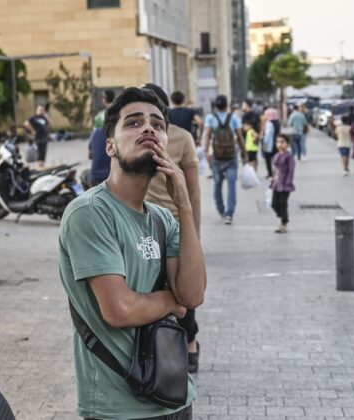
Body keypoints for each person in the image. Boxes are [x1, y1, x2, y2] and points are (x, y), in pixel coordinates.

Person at [59, 87, 206, 419]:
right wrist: (172, 301)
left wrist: (183, 203)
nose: (149, 128)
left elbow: (194, 294)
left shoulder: (163, 218)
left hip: (175, 394)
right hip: (119, 407)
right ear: (109, 145)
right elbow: (119, 310)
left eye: (157, 123)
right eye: (134, 122)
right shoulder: (90, 213)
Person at [142, 83, 202, 374]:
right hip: (142, 225)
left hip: (175, 224)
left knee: (183, 288)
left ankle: (190, 339)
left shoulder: (182, 139)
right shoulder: (137, 139)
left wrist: (195, 234)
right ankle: (159, 344)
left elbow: (193, 191)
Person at [202, 94, 247, 224]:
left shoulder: (211, 118)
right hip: (231, 157)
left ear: (215, 105)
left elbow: (208, 136)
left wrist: (206, 151)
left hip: (216, 157)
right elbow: (239, 137)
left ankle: (221, 210)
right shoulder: (233, 118)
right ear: (227, 105)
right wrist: (244, 153)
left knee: (217, 183)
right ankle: (229, 214)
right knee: (231, 185)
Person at [270, 134, 295, 233]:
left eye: (282, 142)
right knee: (274, 203)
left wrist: (288, 182)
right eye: (278, 142)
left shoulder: (289, 157)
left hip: (285, 185)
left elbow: (291, 170)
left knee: (283, 203)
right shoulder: (276, 155)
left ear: (287, 144)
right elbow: (274, 169)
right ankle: (283, 218)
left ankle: (283, 223)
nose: (280, 144)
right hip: (276, 184)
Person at [261, 106, 280, 178]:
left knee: (268, 160)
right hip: (276, 144)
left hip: (269, 145)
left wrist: (264, 144)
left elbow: (268, 135)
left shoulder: (269, 123)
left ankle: (270, 173)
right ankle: (276, 172)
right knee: (276, 160)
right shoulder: (277, 123)